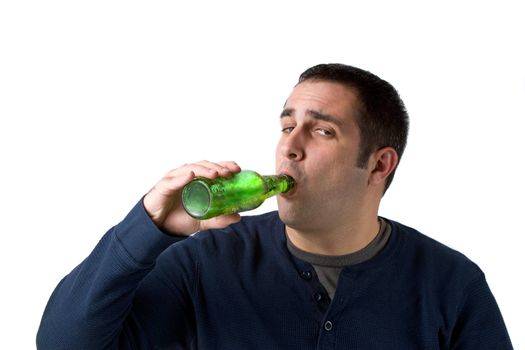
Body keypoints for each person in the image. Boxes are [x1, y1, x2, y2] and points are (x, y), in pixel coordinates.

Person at [37, 64, 513, 349]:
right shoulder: (205, 262)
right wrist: (147, 228)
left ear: (378, 165)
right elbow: (62, 344)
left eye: (322, 130)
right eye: (287, 126)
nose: (290, 147)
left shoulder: (451, 283)